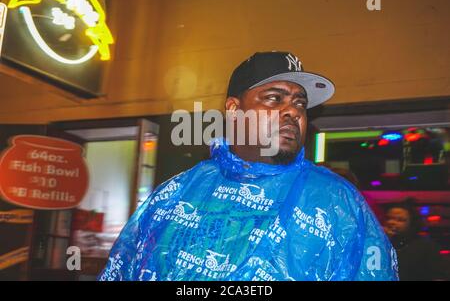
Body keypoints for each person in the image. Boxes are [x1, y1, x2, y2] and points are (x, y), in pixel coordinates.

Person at [99, 51, 398, 281]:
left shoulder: (337, 202)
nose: (292, 112)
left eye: (299, 103)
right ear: (234, 109)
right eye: (274, 99)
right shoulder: (177, 193)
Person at [384, 199, 446, 281]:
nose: (392, 222)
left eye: (400, 220)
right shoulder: (380, 243)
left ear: (412, 223)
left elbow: (438, 276)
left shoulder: (426, 246)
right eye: (389, 218)